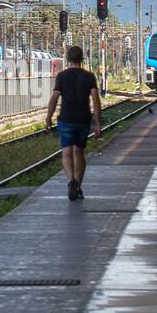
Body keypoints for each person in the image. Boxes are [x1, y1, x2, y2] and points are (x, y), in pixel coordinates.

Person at [46, 45, 102, 202]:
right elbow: (96, 100)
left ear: (68, 59)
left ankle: (71, 180)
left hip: (65, 119)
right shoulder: (89, 76)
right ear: (82, 58)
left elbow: (54, 98)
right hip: (83, 119)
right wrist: (97, 122)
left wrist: (48, 117)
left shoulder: (62, 76)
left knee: (66, 152)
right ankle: (77, 185)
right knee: (79, 152)